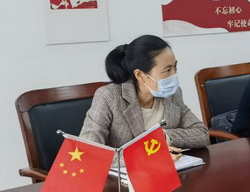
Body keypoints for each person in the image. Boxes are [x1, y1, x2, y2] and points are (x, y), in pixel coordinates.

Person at [81, 35, 209, 152]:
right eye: (167, 70)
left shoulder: (173, 95)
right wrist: (146, 158)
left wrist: (163, 137)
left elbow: (202, 134)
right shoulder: (109, 97)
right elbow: (89, 150)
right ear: (140, 75)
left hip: (170, 168)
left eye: (175, 67)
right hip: (123, 170)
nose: (174, 75)